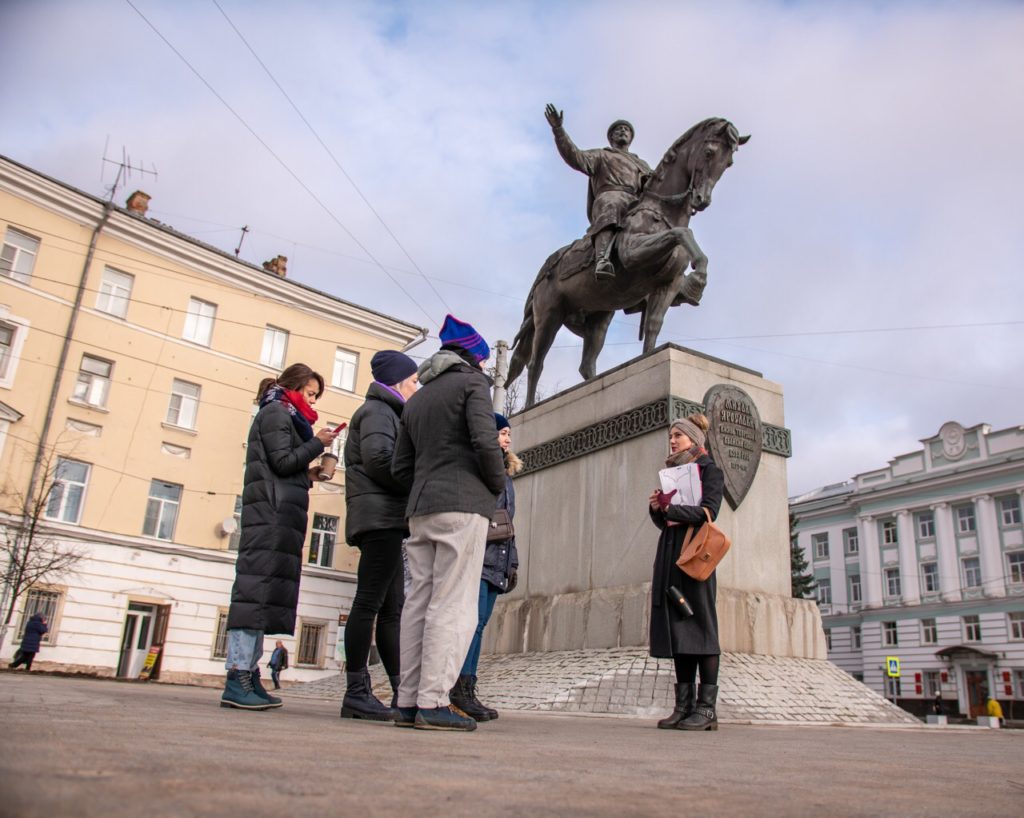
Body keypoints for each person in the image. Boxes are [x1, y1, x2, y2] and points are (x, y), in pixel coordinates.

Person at [391, 314, 506, 732]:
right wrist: (495, 485)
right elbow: (484, 440)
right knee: (454, 604)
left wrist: (425, 487)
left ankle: (406, 700)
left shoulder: (417, 398)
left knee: (418, 601)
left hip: (420, 510)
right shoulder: (473, 384)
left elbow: (400, 466)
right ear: (474, 357)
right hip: (463, 507)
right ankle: (434, 701)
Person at [222, 363, 339, 711]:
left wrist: (312, 475)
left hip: (277, 513)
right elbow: (282, 461)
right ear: (293, 387)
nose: (312, 400)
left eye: (315, 395)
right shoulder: (276, 412)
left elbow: (284, 468)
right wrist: (317, 443)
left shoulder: (284, 415)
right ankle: (238, 675)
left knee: (262, 599)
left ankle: (250, 675)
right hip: (269, 515)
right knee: (253, 595)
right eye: (309, 392)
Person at [340, 350, 419, 721]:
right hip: (380, 519)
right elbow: (379, 461)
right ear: (398, 382)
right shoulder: (377, 412)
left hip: (386, 518)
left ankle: (401, 693)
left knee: (391, 610)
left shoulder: (387, 412)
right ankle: (356, 691)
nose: (417, 387)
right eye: (414, 381)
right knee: (370, 604)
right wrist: (417, 481)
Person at [647, 413, 725, 731]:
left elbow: (709, 511)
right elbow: (667, 522)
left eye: (679, 435)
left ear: (694, 439)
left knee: (702, 627)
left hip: (696, 557)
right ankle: (684, 706)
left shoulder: (710, 470)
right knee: (679, 629)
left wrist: (672, 508)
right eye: (671, 436)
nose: (673, 440)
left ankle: (707, 710)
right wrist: (657, 508)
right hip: (671, 554)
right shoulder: (673, 472)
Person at [450, 413, 522, 722]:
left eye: (508, 434)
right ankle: (459, 689)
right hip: (479, 555)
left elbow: (507, 522)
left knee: (479, 625)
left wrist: (512, 562)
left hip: (497, 559)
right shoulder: (481, 466)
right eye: (502, 433)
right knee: (471, 623)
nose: (507, 438)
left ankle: (467, 688)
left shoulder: (505, 474)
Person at [544, 103, 652, 281]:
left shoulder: (641, 164)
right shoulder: (602, 155)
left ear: (631, 137)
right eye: (618, 130)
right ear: (611, 138)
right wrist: (559, 130)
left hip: (634, 202)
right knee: (612, 203)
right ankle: (602, 258)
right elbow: (575, 156)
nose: (622, 131)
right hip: (610, 195)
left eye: (626, 129)